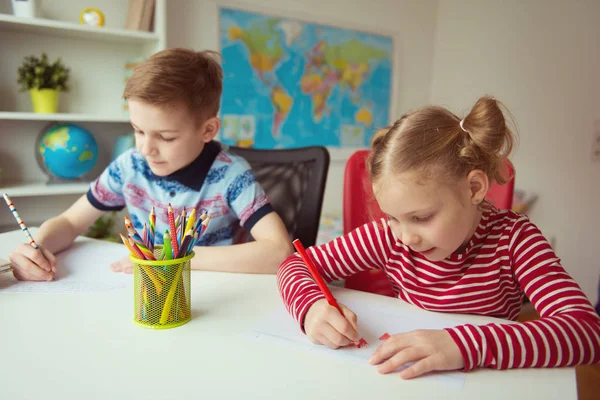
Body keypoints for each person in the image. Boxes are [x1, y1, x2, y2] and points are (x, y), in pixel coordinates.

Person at [277, 96, 600, 379]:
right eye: (391, 217)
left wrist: (464, 344)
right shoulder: (387, 237)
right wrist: (311, 308)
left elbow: (586, 332)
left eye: (422, 218)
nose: (405, 237)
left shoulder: (515, 240)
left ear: (474, 188)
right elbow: (295, 265)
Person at [9, 48, 293, 281]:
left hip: (211, 292)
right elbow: (71, 221)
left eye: (166, 137)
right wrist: (39, 245)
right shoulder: (130, 166)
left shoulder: (231, 175)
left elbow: (278, 251)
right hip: (145, 292)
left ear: (208, 130)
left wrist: (168, 258)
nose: (146, 148)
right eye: (138, 130)